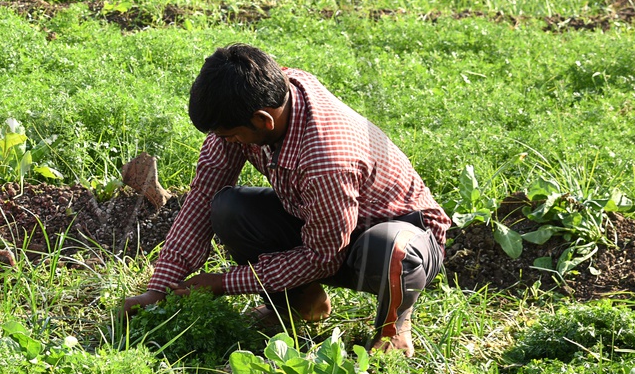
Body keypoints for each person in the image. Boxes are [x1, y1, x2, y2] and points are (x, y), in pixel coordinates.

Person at [122, 44, 449, 356]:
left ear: (264, 121)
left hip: (397, 233)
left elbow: (323, 257)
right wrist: (158, 288)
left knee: (392, 249)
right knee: (227, 208)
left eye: (231, 135)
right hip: (323, 222)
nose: (227, 142)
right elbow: (202, 198)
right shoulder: (255, 97)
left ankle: (394, 328)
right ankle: (300, 305)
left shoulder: (326, 158)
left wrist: (224, 283)